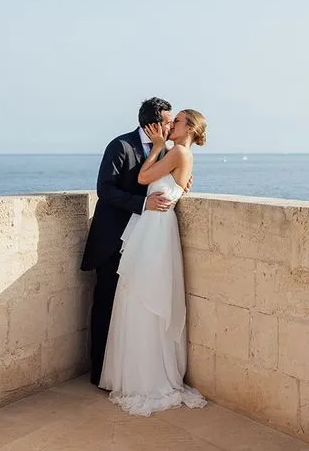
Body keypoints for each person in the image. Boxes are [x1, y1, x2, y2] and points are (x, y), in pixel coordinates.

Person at [98, 109, 208, 416]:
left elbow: (144, 177)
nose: (171, 126)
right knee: (137, 295)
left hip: (157, 229)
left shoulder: (178, 152)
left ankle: (149, 376)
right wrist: (162, 151)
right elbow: (148, 180)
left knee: (146, 294)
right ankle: (136, 372)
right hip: (151, 226)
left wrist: (158, 147)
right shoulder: (176, 153)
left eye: (178, 121)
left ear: (190, 128)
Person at [81, 97, 183, 387]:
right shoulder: (120, 146)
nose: (171, 127)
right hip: (113, 240)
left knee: (130, 310)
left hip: (144, 241)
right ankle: (100, 374)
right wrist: (143, 204)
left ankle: (126, 373)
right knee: (106, 304)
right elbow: (105, 190)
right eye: (168, 122)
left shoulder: (166, 151)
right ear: (153, 124)